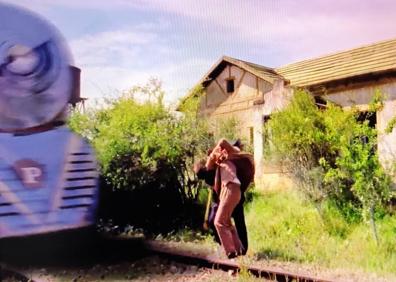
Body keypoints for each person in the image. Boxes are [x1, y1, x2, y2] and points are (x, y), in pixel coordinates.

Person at [204, 138, 254, 258]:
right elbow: (207, 167)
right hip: (230, 193)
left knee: (219, 222)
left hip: (231, 191)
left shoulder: (234, 153)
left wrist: (215, 152)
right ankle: (239, 249)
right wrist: (214, 157)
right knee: (225, 222)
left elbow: (222, 141)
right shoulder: (226, 161)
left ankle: (231, 253)